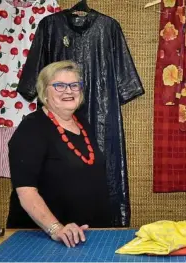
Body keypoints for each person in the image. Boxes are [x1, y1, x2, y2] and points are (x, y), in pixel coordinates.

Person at [7, 61, 111, 247]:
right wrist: (56, 229)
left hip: (84, 236)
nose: (68, 91)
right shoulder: (32, 128)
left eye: (74, 85)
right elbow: (26, 192)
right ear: (44, 92)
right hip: (42, 239)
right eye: (59, 85)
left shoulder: (82, 123)